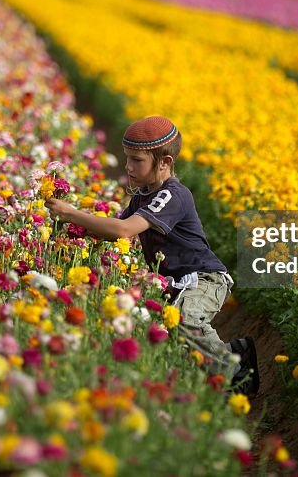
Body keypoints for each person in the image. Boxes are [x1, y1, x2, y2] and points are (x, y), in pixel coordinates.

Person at [46, 115, 259, 395]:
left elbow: (123, 230)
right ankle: (236, 352)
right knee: (176, 327)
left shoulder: (172, 195)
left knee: (185, 321)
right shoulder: (143, 195)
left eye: (137, 160)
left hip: (205, 278)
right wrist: (69, 226)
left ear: (164, 162)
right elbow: (114, 232)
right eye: (127, 159)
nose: (128, 166)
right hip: (177, 281)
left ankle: (236, 377)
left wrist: (73, 213)